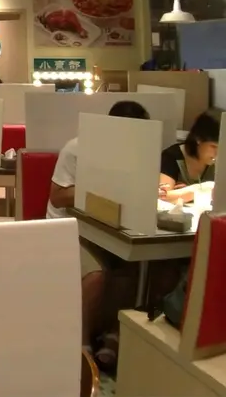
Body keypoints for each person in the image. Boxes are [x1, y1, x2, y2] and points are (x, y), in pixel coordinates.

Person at [47, 99, 150, 370]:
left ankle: (112, 335)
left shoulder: (134, 155)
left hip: (108, 230)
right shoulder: (76, 148)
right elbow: (57, 197)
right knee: (96, 275)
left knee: (135, 267)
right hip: (69, 228)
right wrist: (99, 186)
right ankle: (81, 344)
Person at [159, 110, 219, 202]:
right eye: (213, 146)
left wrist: (181, 193)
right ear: (198, 139)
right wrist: (199, 189)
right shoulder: (171, 157)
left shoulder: (219, 160)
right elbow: (162, 196)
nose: (217, 152)